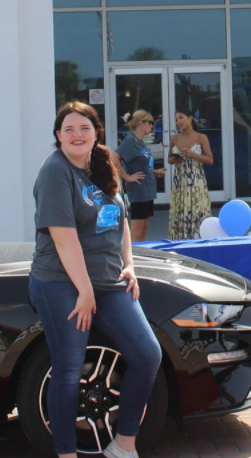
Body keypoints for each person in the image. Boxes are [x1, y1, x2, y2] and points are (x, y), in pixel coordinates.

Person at [29, 101, 161, 458]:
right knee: (69, 369)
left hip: (107, 280)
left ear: (96, 133)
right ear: (58, 137)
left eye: (84, 128)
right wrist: (84, 291)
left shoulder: (102, 164)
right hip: (61, 281)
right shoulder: (55, 172)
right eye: (68, 129)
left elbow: (121, 222)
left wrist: (129, 265)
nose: (77, 135)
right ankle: (66, 454)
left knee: (148, 355)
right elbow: (62, 237)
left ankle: (124, 444)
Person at [111, 110, 166, 243]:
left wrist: (154, 171)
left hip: (147, 191)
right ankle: (134, 257)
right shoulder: (130, 140)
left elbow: (140, 163)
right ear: (141, 123)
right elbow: (114, 158)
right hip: (139, 191)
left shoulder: (139, 141)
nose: (152, 126)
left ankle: (141, 254)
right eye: (150, 123)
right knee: (137, 230)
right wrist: (127, 177)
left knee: (144, 228)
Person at [167, 108, 213, 240]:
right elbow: (169, 159)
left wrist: (193, 155)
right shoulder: (174, 138)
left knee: (196, 212)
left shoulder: (201, 137)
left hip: (196, 181)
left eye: (181, 117)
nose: (178, 121)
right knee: (180, 213)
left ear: (190, 118)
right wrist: (174, 159)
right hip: (180, 182)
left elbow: (210, 160)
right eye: (176, 119)